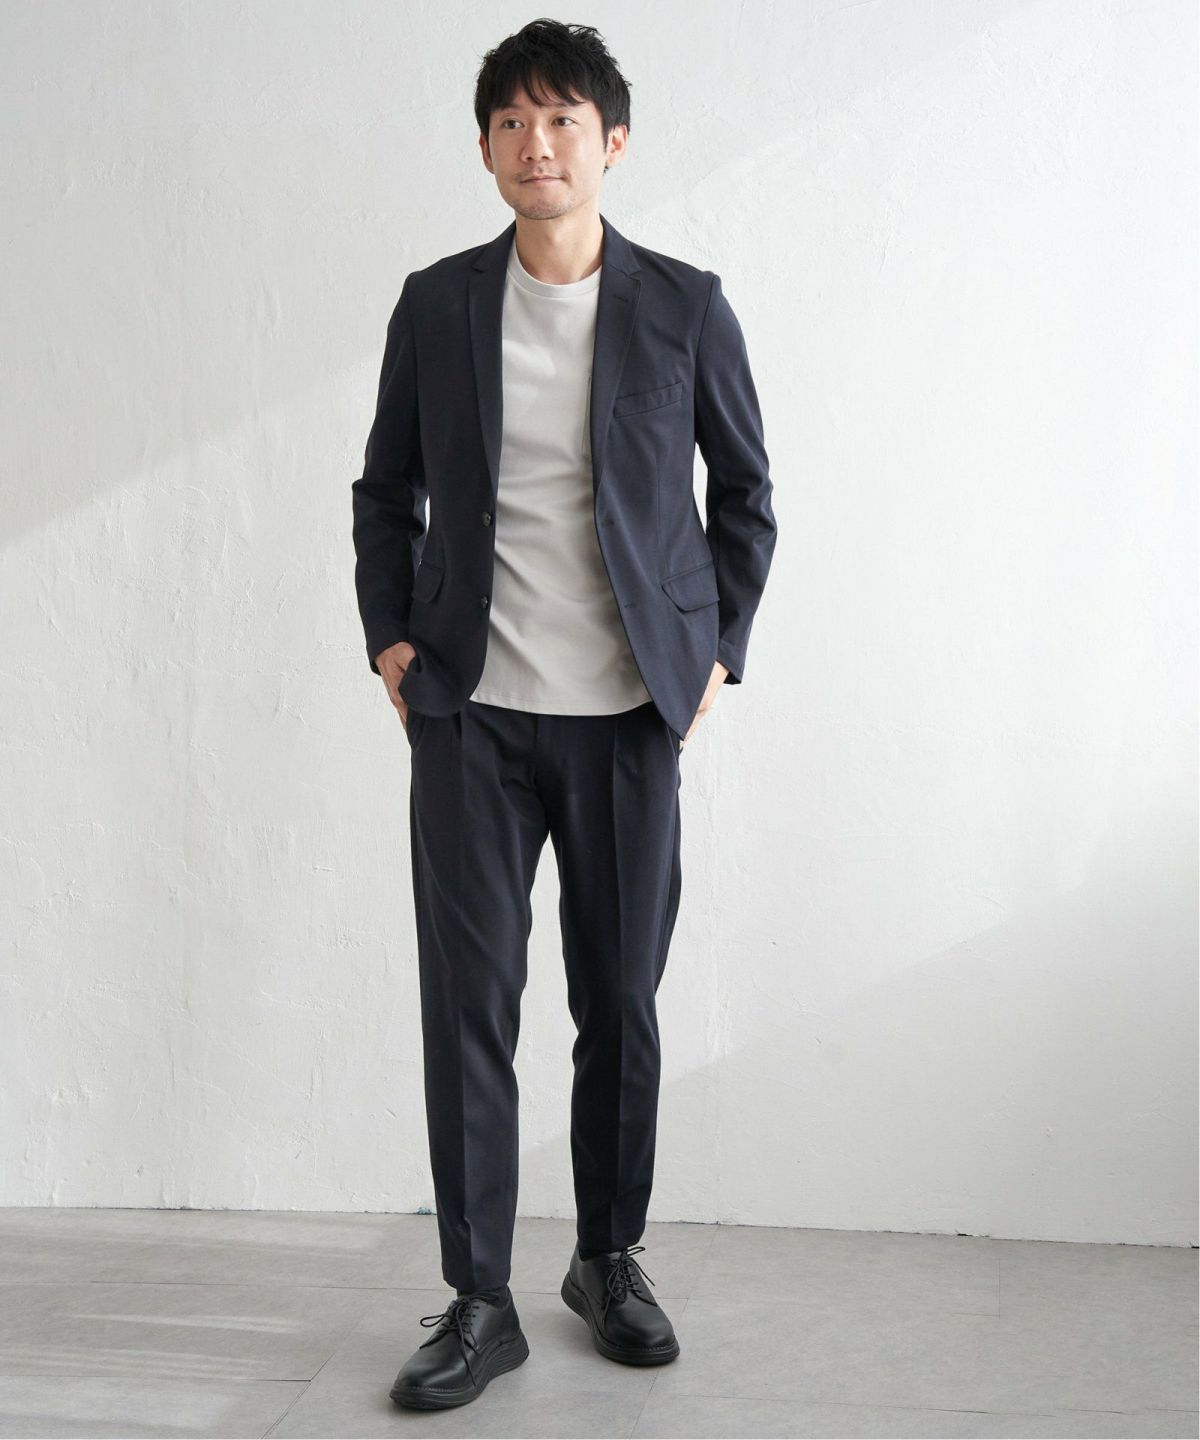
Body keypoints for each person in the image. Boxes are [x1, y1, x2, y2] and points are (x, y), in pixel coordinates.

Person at [351, 18, 777, 1410]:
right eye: (511, 123)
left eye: (562, 121)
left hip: (627, 719)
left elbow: (746, 497)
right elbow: (384, 491)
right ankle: (480, 1299)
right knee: (470, 1009)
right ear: (486, 148)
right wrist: (391, 640)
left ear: (613, 143)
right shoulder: (438, 305)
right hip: (470, 719)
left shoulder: (684, 307)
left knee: (621, 1006)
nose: (537, 145)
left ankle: (607, 1257)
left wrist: (712, 658)